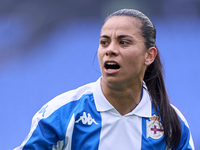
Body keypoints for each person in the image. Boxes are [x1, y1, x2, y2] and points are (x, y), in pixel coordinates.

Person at [14, 9, 195, 150]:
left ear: (149, 55)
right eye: (104, 42)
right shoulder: (61, 114)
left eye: (123, 42)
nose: (110, 50)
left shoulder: (171, 123)